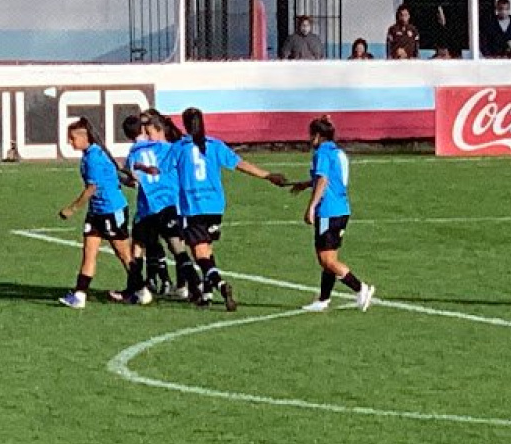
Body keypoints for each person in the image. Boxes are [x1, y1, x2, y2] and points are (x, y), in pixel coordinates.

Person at [160, 107, 287, 311]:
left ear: (185, 125)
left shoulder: (179, 148)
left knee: (199, 254)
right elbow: (239, 164)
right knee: (207, 249)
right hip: (215, 206)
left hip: (193, 207)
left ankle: (220, 285)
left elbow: (162, 169)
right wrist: (267, 175)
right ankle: (207, 295)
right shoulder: (214, 145)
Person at [57, 117, 149, 309]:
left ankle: (142, 290)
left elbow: (92, 188)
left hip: (111, 210)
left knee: (124, 254)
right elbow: (114, 175)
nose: (70, 142)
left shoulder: (94, 158)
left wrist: (72, 208)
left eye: (72, 138)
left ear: (84, 137)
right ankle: (80, 294)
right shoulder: (92, 154)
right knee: (88, 252)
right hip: (96, 212)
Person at [289, 116, 375, 313]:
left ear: (318, 136)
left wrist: (311, 206)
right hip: (341, 209)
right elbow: (328, 178)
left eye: (311, 135)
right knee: (327, 258)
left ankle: (360, 288)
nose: (309, 139)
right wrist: (305, 184)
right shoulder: (337, 152)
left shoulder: (322, 153)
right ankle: (323, 299)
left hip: (328, 210)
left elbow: (324, 180)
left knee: (327, 260)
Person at [122, 109, 201, 300]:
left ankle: (138, 288)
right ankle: (190, 286)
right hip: (171, 202)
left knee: (139, 246)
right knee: (176, 247)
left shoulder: (136, 152)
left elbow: (131, 180)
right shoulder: (169, 148)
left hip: (151, 206)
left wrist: (127, 176)